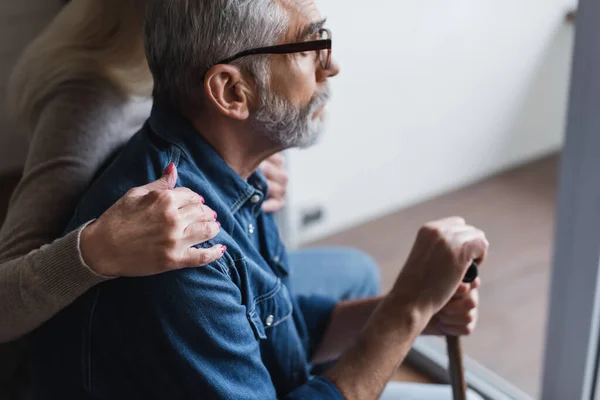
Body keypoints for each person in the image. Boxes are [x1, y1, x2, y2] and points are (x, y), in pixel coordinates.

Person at [31, 0, 486, 399]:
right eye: (310, 48)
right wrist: (407, 309)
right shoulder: (180, 244)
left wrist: (417, 310)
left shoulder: (232, 168)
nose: (331, 66)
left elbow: (272, 324)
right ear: (232, 92)